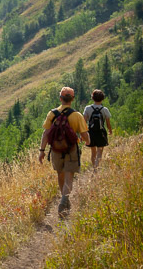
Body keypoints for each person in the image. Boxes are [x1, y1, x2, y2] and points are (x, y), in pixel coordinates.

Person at [39, 87, 90, 217]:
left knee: (60, 175)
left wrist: (42, 150)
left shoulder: (52, 114)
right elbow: (84, 134)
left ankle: (64, 199)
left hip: (55, 150)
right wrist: (88, 142)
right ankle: (64, 200)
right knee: (69, 177)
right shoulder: (77, 115)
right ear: (72, 99)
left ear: (60, 99)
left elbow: (45, 133)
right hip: (71, 150)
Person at [83, 89, 112, 171]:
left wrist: (84, 133)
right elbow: (108, 123)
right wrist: (110, 130)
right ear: (102, 98)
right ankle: (96, 168)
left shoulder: (87, 108)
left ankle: (94, 167)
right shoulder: (105, 109)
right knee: (100, 151)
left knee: (93, 152)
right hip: (101, 132)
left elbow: (84, 122)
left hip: (91, 132)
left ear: (92, 98)